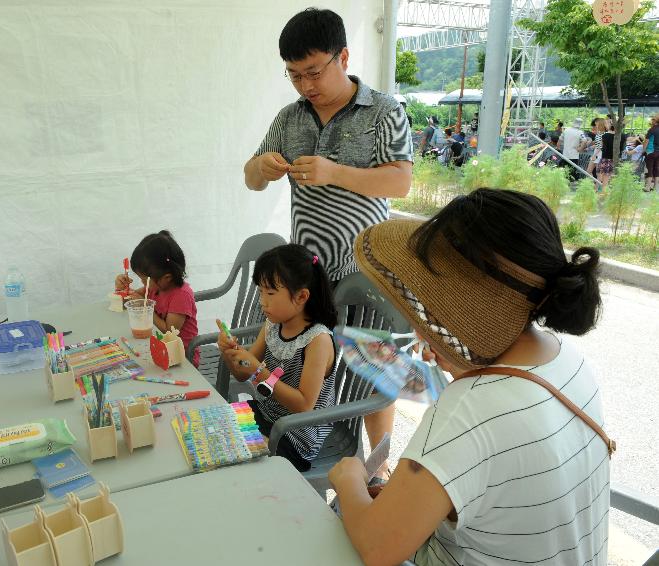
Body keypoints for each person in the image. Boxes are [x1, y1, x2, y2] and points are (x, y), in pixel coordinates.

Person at [329, 188, 609, 565]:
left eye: (428, 308)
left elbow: (378, 548)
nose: (423, 334)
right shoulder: (568, 361)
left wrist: (349, 477)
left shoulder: (469, 408)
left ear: (466, 306)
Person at [244, 7, 413, 284]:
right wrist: (261, 168)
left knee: (350, 330)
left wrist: (333, 173)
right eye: (295, 75)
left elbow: (400, 183)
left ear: (343, 58)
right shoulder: (289, 117)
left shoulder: (383, 110)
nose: (305, 85)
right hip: (305, 274)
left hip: (366, 274)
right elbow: (251, 180)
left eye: (314, 72)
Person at [217, 244, 338, 472]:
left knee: (234, 460)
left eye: (270, 293)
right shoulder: (273, 324)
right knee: (217, 429)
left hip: (296, 435)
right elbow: (242, 373)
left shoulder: (317, 340)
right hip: (266, 414)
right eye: (260, 291)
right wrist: (230, 353)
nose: (262, 301)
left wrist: (259, 370)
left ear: (302, 296)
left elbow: (303, 405)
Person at [115, 230, 198, 355]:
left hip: (181, 356)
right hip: (159, 348)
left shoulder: (181, 296)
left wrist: (146, 308)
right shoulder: (156, 287)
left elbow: (168, 331)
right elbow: (128, 300)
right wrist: (122, 288)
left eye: (144, 280)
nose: (142, 283)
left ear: (167, 277)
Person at [645, 114, 659, 192]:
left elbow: (646, 141)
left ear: (655, 121)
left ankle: (647, 187)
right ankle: (656, 187)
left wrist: (644, 150)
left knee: (649, 169)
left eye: (653, 119)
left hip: (651, 151)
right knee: (657, 169)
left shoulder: (652, 129)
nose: (651, 121)